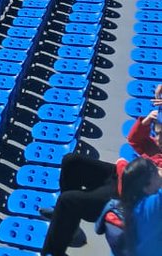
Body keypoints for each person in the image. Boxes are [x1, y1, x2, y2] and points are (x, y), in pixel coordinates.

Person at [39, 109, 162, 256]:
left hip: (124, 196)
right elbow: (135, 140)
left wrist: (123, 164)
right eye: (157, 133)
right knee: (72, 162)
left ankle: (53, 252)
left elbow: (142, 189)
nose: (158, 139)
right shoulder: (159, 147)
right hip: (120, 176)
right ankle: (68, 226)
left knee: (67, 201)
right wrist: (145, 122)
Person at [119, 155, 162, 255]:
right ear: (146, 187)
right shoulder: (154, 204)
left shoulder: (133, 205)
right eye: (156, 172)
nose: (159, 170)